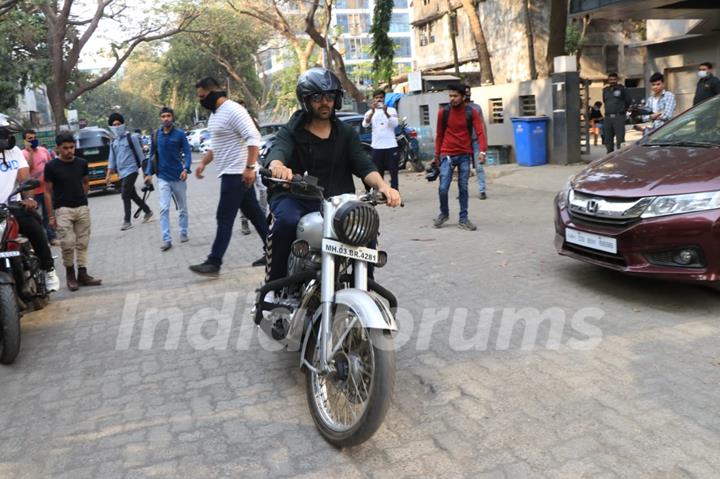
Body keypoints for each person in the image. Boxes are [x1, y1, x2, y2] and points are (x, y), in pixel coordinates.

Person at [265, 68, 401, 285]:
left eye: (329, 96)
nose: (324, 102)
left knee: (364, 227)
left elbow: (364, 165)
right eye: (317, 97)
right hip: (296, 198)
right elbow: (279, 150)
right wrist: (277, 165)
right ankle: (274, 287)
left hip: (337, 203)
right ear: (306, 100)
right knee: (286, 222)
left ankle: (364, 287)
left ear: (336, 99)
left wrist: (384, 186)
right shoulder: (292, 130)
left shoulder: (345, 133)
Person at [189, 77, 268, 276]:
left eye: (202, 96)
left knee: (224, 217)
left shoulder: (234, 110)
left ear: (213, 92)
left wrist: (250, 167)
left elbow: (253, 138)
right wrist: (203, 163)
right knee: (256, 215)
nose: (200, 100)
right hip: (230, 173)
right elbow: (217, 145)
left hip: (237, 173)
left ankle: (214, 261)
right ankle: (276, 252)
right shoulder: (215, 115)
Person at [0, 115, 60, 292]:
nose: (9, 138)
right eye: (5, 134)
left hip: (12, 207)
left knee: (34, 226)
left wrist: (29, 198)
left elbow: (24, 179)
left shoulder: (15, 152)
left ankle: (49, 269)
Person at [44, 132, 102, 291]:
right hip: (62, 210)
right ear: (58, 148)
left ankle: (82, 274)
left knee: (82, 243)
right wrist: (50, 216)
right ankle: (70, 275)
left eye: (72, 147)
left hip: (82, 208)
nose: (70, 151)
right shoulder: (51, 166)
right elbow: (47, 192)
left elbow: (85, 183)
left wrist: (83, 199)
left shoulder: (82, 163)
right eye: (65, 148)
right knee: (67, 243)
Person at [432, 83, 487, 231]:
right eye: (450, 96)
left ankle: (463, 219)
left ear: (463, 97)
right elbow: (439, 135)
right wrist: (437, 155)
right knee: (443, 187)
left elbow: (480, 132)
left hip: (464, 155)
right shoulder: (443, 112)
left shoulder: (472, 112)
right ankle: (444, 213)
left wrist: (482, 152)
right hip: (447, 154)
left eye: (455, 96)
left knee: (463, 187)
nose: (452, 99)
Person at [144, 107, 191, 252]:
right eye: (163, 116)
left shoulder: (180, 134)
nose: (166, 118)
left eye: (168, 116)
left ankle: (183, 232)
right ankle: (167, 239)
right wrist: (148, 173)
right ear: (160, 118)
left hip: (178, 177)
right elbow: (152, 156)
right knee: (164, 209)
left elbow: (188, 153)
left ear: (172, 117)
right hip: (162, 178)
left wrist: (186, 168)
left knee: (182, 208)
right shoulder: (156, 135)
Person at [106, 112, 153, 230]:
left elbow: (141, 156)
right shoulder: (113, 142)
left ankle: (127, 221)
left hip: (132, 170)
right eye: (114, 125)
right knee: (133, 195)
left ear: (122, 124)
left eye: (118, 124)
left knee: (124, 194)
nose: (117, 126)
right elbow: (112, 159)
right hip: (121, 173)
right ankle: (148, 211)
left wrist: (145, 174)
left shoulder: (131, 138)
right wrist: (108, 174)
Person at [22, 129, 59, 245]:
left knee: (49, 214)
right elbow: (29, 168)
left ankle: (52, 237)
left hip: (46, 189)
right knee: (36, 217)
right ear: (25, 141)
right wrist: (31, 152)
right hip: (32, 192)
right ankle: (41, 240)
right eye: (30, 139)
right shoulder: (23, 154)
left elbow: (50, 165)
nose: (33, 140)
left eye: (34, 138)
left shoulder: (43, 150)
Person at [362, 89, 400, 190]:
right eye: (377, 98)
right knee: (378, 172)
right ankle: (380, 191)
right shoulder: (369, 112)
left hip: (391, 145)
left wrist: (386, 112)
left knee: (394, 171)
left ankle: (395, 191)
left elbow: (395, 124)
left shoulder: (391, 110)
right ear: (374, 99)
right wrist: (372, 112)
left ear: (384, 98)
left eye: (381, 97)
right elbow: (365, 124)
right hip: (377, 146)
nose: (379, 100)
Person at [464, 85, 488, 200]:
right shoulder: (457, 109)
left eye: (469, 92)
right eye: (465, 92)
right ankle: (463, 191)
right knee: (464, 168)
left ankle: (482, 190)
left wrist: (484, 146)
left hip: (475, 141)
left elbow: (482, 125)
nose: (467, 95)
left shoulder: (476, 108)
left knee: (479, 166)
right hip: (463, 143)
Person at [602, 72, 630, 153]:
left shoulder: (622, 89)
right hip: (608, 118)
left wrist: (622, 111)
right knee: (608, 139)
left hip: (619, 117)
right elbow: (605, 101)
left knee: (620, 139)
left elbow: (628, 101)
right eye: (610, 80)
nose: (612, 81)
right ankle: (609, 156)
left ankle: (620, 157)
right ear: (608, 80)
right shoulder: (605, 90)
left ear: (617, 80)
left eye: (614, 79)